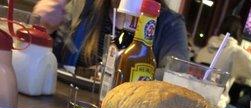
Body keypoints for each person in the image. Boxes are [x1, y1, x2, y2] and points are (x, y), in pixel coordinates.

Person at [33, 0, 189, 74]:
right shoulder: (84, 6)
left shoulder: (170, 24)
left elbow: (174, 75)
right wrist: (46, 29)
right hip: (70, 103)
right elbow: (53, 62)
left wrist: (120, 73)